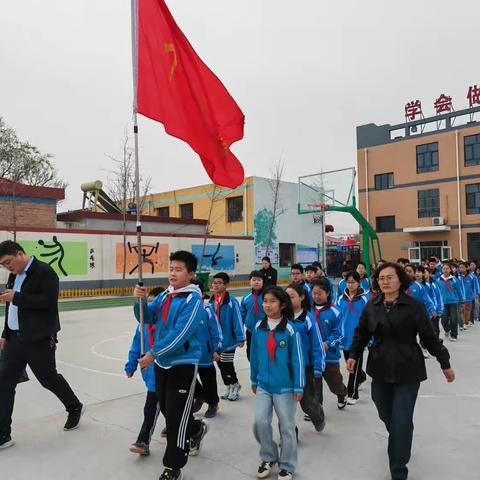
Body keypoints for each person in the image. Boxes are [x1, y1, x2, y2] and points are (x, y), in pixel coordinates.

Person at [347, 262, 455, 480]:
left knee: (402, 418)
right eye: (381, 278)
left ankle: (398, 469)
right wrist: (353, 355)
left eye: (389, 277)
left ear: (400, 280)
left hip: (408, 367)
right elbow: (361, 333)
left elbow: (429, 337)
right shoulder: (372, 305)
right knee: (386, 412)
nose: (384, 281)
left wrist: (445, 363)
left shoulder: (414, 306)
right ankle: (400, 434)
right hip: (380, 366)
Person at [0, 240, 84, 450]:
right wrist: (5, 333)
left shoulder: (44, 271)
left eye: (9, 262)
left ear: (20, 254)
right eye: (3, 265)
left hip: (38, 339)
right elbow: (11, 308)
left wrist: (17, 297)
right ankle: (3, 434)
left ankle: (74, 406)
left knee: (48, 379)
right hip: (13, 340)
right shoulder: (14, 275)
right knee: (4, 384)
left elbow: (48, 302)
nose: (7, 268)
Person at [133, 250, 208, 480]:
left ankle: (173, 467)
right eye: (171, 268)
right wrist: (139, 301)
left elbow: (180, 335)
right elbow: (148, 318)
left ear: (191, 274)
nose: (173, 273)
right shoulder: (167, 295)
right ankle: (196, 429)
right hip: (163, 363)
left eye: (178, 269)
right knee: (167, 410)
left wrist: (153, 354)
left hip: (182, 364)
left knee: (175, 417)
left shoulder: (192, 300)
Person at [250, 286, 304, 480]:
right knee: (259, 422)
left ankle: (287, 465)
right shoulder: (259, 327)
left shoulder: (290, 329)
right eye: (265, 301)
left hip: (285, 387)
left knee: (287, 427)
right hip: (264, 384)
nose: (267, 305)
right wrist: (253, 378)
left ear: (282, 305)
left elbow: (298, 359)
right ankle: (268, 455)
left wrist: (299, 385)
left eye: (272, 301)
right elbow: (254, 355)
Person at [126, 287, 165, 456]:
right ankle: (193, 428)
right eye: (147, 303)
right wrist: (131, 365)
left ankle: (143, 441)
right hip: (150, 375)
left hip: (165, 372)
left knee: (157, 408)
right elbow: (136, 346)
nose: (149, 308)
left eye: (154, 305)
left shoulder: (166, 326)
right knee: (155, 407)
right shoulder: (141, 327)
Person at [286, 283, 325, 432]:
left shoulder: (308, 319)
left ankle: (318, 417)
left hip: (305, 367)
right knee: (285, 404)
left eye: (292, 296)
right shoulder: (282, 318)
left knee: (307, 403)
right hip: (286, 367)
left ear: (302, 297)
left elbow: (317, 344)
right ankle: (289, 434)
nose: (288, 300)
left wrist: (318, 367)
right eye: (286, 297)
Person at [310, 279, 348, 410]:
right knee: (315, 384)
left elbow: (339, 334)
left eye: (319, 293)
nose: (316, 296)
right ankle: (317, 408)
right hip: (313, 356)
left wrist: (328, 343)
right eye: (314, 293)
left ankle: (342, 393)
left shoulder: (335, 312)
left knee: (334, 382)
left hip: (329, 356)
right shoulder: (308, 311)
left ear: (327, 293)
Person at [208, 272, 245, 401]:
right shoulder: (212, 301)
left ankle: (235, 385)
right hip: (217, 342)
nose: (216, 285)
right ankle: (229, 386)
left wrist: (240, 337)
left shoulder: (232, 302)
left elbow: (238, 319)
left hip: (229, 340)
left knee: (227, 365)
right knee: (220, 365)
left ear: (226, 285)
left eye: (219, 283)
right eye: (214, 282)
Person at [336, 271, 368, 404]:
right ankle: (361, 377)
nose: (350, 284)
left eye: (353, 282)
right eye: (348, 282)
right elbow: (337, 317)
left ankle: (352, 393)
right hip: (345, 337)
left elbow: (369, 318)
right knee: (351, 365)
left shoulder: (364, 299)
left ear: (358, 283)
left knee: (353, 366)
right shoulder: (340, 298)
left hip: (359, 337)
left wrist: (369, 337)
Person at [192, 279, 222, 419]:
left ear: (203, 294)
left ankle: (213, 403)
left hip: (205, 354)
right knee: (188, 379)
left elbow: (216, 331)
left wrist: (216, 349)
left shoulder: (207, 310)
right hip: (188, 354)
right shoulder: (183, 308)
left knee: (208, 380)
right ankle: (200, 396)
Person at [241, 271, 265, 361]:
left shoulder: (267, 297)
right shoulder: (246, 298)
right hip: (250, 331)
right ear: (250, 282)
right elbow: (242, 316)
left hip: (265, 330)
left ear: (263, 281)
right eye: (254, 280)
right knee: (251, 355)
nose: (256, 282)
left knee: (264, 354)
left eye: (259, 280)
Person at [437, 262, 463, 342]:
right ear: (442, 270)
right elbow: (436, 292)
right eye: (444, 269)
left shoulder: (455, 280)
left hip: (453, 302)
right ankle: (447, 330)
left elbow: (459, 291)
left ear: (450, 270)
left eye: (447, 268)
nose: (445, 270)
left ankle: (454, 335)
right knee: (444, 320)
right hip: (443, 303)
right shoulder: (438, 280)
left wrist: (461, 301)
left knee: (454, 319)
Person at [458, 261, 475, 329]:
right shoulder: (457, 276)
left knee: (467, 310)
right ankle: (462, 323)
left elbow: (474, 286)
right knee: (461, 310)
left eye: (462, 267)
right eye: (460, 267)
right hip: (460, 297)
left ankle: (466, 322)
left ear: (466, 268)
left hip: (468, 297)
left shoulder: (471, 276)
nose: (461, 269)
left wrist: (473, 295)